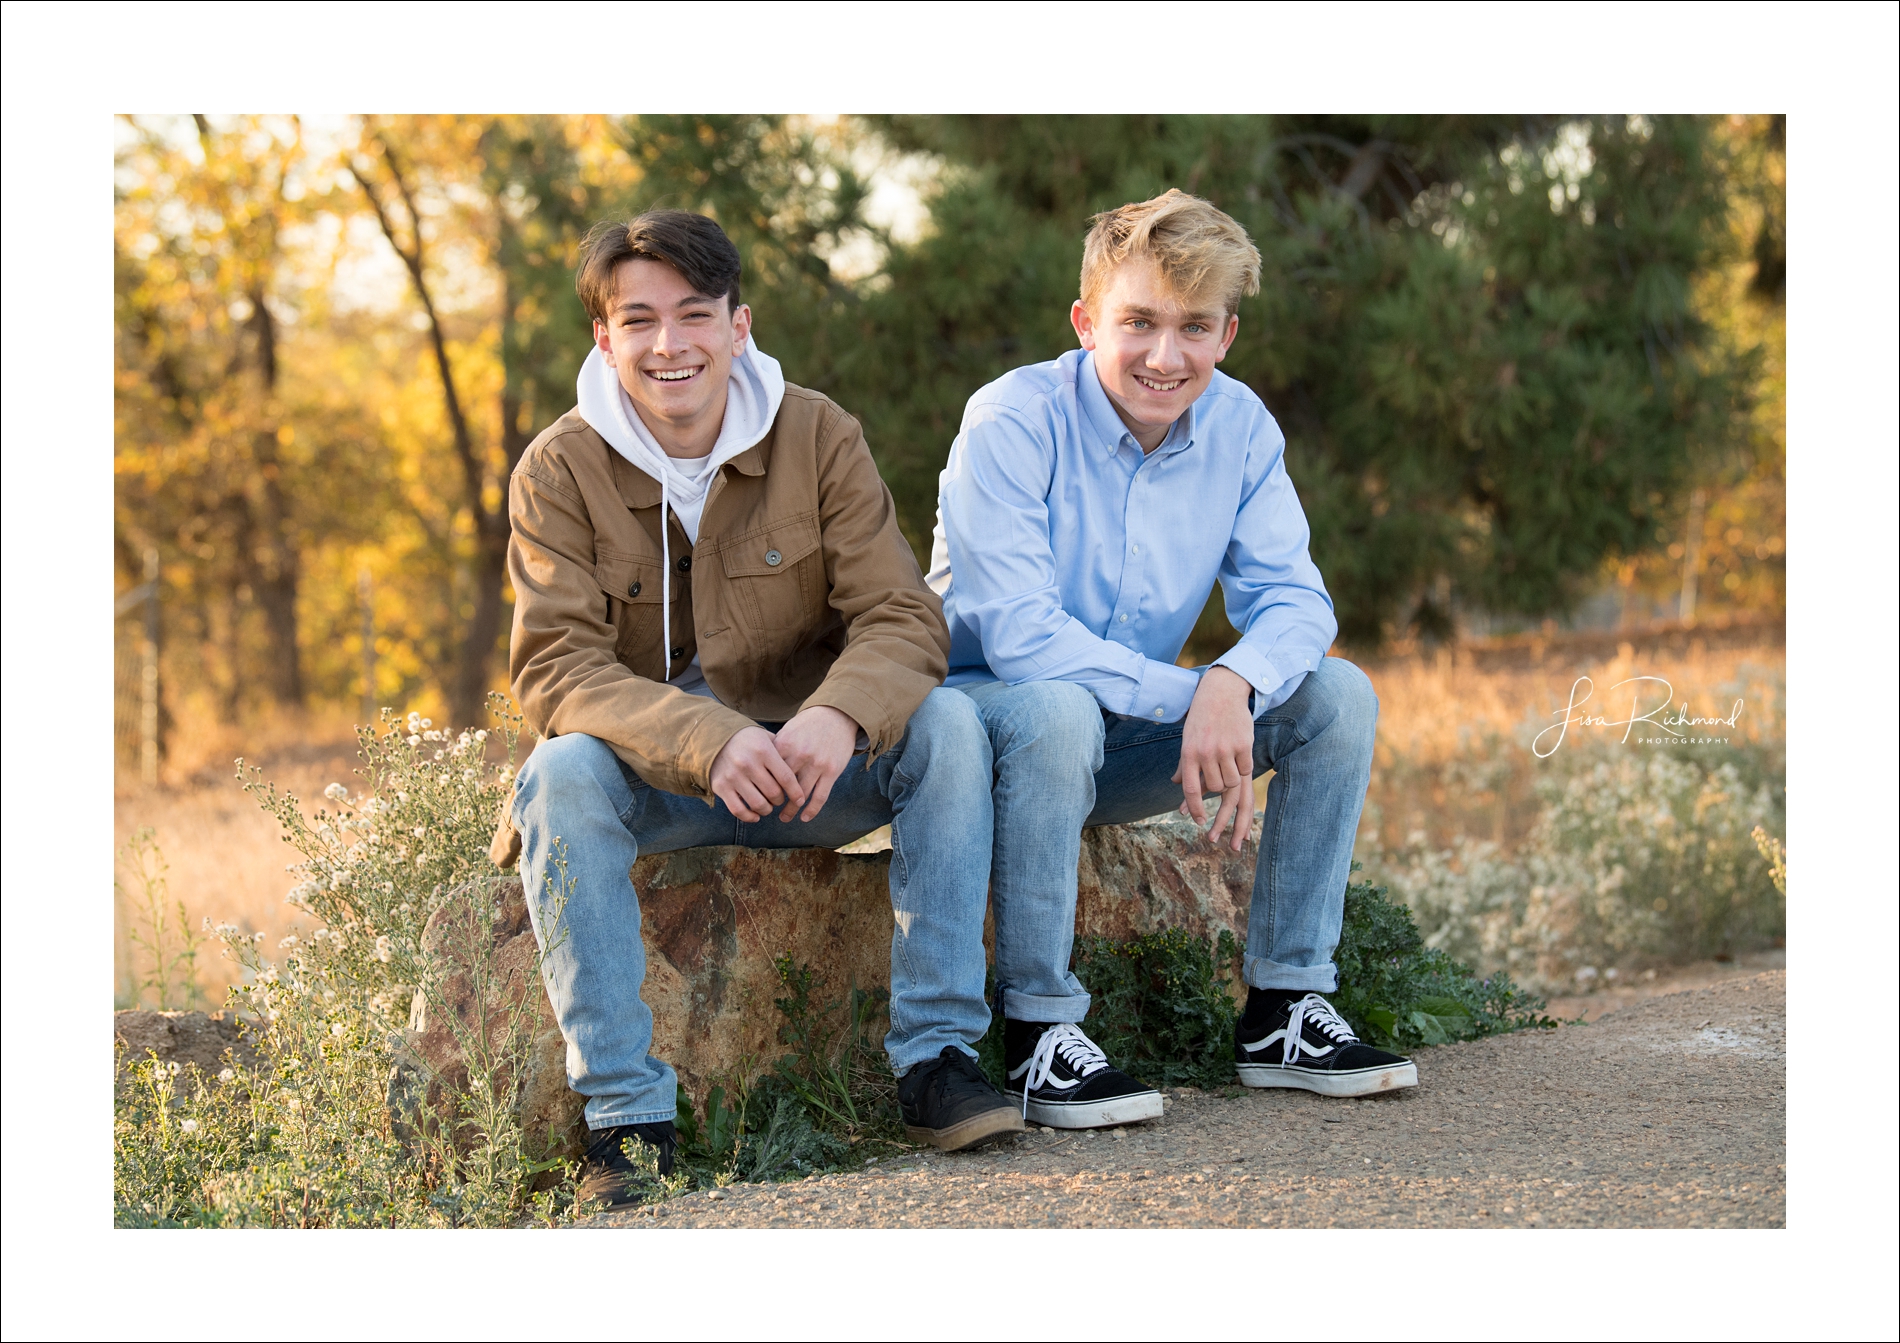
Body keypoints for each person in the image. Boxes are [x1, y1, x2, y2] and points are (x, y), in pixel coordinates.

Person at [493, 210, 1021, 1208]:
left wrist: (836, 717)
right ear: (604, 340)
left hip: (820, 767)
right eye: (638, 319)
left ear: (739, 325)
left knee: (950, 723)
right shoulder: (555, 469)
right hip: (663, 782)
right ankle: (625, 1118)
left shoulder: (817, 432)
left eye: (694, 314)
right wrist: (709, 738)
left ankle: (936, 1062)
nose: (668, 344)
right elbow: (557, 668)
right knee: (557, 773)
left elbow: (905, 617)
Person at [929, 189, 1416, 1129]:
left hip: (1121, 740)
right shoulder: (1010, 421)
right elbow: (1021, 636)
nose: (1166, 355)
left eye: (1194, 326)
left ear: (1227, 333)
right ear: (1085, 322)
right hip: (979, 738)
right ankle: (1036, 1033)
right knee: (1057, 705)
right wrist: (1193, 691)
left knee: (1337, 696)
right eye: (1139, 322)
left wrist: (1232, 683)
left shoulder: (1240, 428)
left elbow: (1298, 602)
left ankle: (1283, 1007)